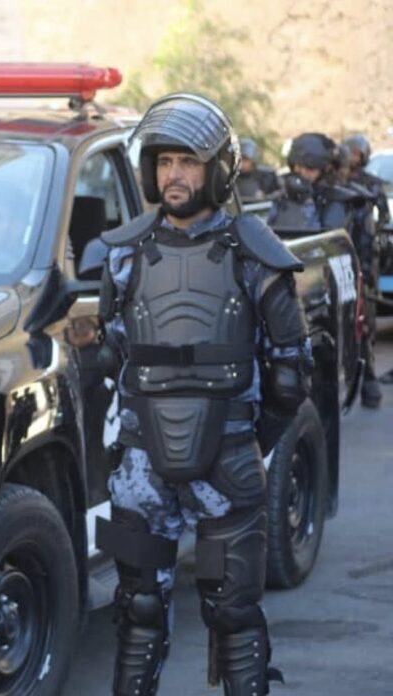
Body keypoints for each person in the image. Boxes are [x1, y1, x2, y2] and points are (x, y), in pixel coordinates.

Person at [96, 93, 306, 695]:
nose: (174, 175)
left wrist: (243, 439)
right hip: (142, 467)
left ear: (217, 170)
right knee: (138, 608)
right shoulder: (124, 255)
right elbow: (114, 356)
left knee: (232, 610)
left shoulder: (255, 254)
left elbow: (291, 375)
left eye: (188, 162)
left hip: (228, 465)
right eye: (164, 162)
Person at [269, 133, 381, 408]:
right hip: (301, 278)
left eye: (309, 168)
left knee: (359, 329)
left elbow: (364, 244)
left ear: (326, 167)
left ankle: (367, 377)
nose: (301, 173)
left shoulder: (350, 201)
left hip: (341, 277)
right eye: (297, 167)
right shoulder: (283, 200)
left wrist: (363, 275)